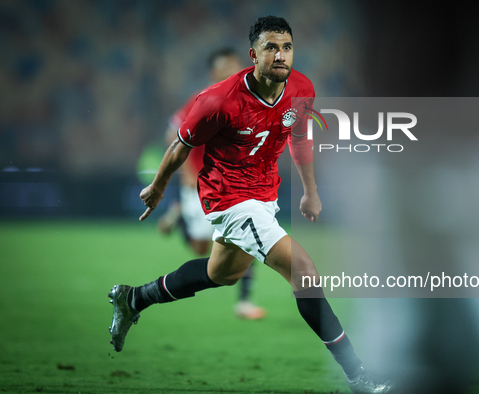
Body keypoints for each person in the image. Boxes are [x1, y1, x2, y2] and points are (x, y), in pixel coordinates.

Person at [109, 16, 393, 394]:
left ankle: (134, 298)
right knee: (304, 272)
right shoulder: (218, 100)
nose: (281, 55)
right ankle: (359, 376)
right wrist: (159, 188)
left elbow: (298, 136)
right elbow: (181, 145)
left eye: (287, 47)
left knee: (221, 273)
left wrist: (310, 190)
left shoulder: (301, 88)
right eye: (271, 48)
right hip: (229, 199)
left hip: (264, 195)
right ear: (253, 54)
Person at [157, 48, 266, 320]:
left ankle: (244, 301)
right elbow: (173, 133)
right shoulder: (203, 99)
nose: (230, 71)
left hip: (235, 185)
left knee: (249, 237)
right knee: (201, 248)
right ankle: (180, 213)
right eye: (223, 67)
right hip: (201, 183)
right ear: (213, 73)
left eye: (234, 65)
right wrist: (186, 170)